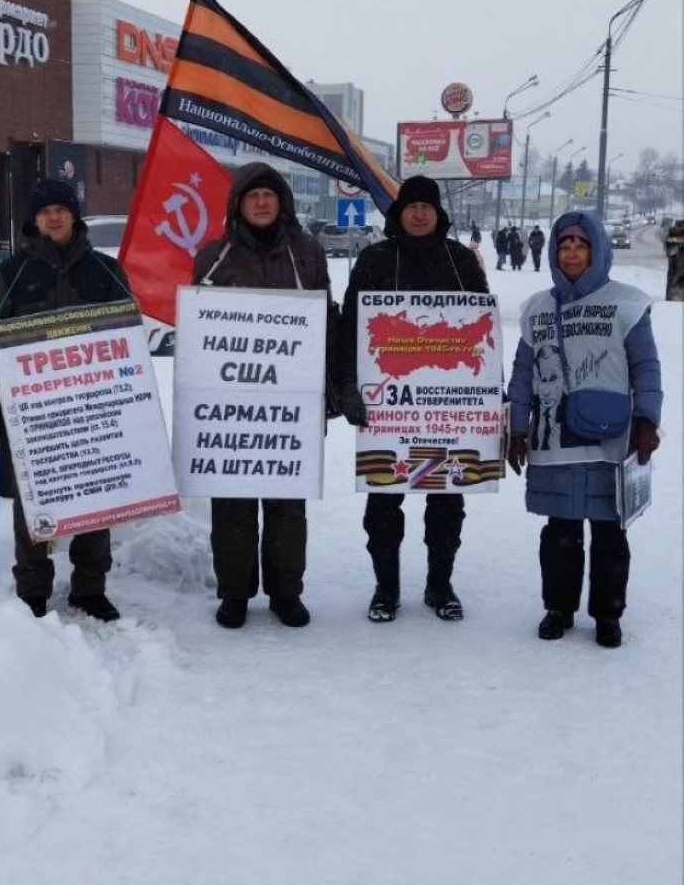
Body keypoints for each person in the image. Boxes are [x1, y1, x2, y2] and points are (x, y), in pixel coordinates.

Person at [0, 179, 133, 621]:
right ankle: (32, 589)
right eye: (45, 210)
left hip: (94, 412)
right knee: (34, 507)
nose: (53, 216)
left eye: (61, 209)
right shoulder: (12, 275)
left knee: (94, 500)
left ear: (74, 215)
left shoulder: (104, 270)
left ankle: (89, 587)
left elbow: (129, 339)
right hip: (34, 418)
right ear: (35, 219)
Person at [337, 175, 489, 623]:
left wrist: (487, 395)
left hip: (449, 409)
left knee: (446, 503)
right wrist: (348, 384)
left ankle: (440, 585)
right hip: (389, 409)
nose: (419, 214)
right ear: (399, 213)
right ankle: (386, 588)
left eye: (427, 206)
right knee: (384, 501)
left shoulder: (460, 261)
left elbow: (483, 331)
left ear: (438, 213)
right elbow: (350, 328)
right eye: (411, 206)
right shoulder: (374, 259)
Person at [506, 212, 662, 648]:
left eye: (580, 246)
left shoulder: (627, 303)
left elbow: (645, 366)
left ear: (596, 251)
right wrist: (517, 429)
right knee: (560, 531)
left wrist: (647, 419)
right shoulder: (537, 308)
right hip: (554, 442)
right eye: (564, 246)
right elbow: (522, 375)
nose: (571, 254)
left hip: (612, 440)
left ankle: (608, 615)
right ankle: (558, 608)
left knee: (610, 531)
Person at [192, 162, 336, 630]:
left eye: (269, 195)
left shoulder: (308, 254)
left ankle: (285, 592)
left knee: (286, 506)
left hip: (291, 405)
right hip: (230, 406)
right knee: (231, 504)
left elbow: (326, 327)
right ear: (238, 203)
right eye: (252, 195)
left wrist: (333, 389)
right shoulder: (214, 256)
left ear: (282, 202)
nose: (261, 202)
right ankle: (234, 593)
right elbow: (198, 329)